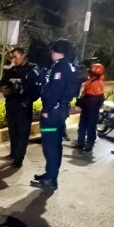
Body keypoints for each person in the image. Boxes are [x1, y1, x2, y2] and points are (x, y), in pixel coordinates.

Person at [30, 39, 79, 191]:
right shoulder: (69, 66)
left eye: (53, 51)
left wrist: (46, 110)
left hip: (52, 114)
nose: (51, 54)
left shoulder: (60, 68)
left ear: (59, 52)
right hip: (60, 112)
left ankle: (51, 179)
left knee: (50, 144)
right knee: (55, 143)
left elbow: (55, 92)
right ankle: (50, 174)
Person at [0, 47, 42, 167]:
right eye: (12, 57)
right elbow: (0, 85)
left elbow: (38, 89)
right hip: (11, 104)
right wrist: (2, 89)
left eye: (15, 57)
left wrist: (28, 101)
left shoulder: (32, 70)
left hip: (23, 105)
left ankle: (19, 158)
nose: (14, 60)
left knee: (22, 132)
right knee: (13, 131)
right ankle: (13, 154)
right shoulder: (12, 70)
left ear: (24, 55)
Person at [71, 62, 106, 152]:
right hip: (88, 108)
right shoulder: (91, 81)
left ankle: (89, 144)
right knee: (82, 126)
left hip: (92, 109)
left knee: (90, 127)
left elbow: (97, 98)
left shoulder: (97, 83)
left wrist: (83, 101)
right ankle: (81, 142)